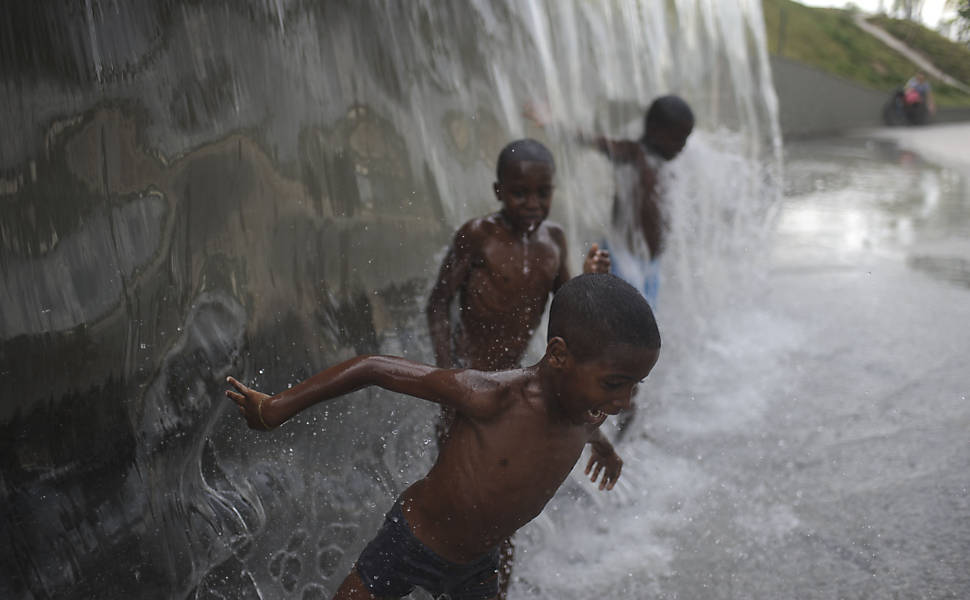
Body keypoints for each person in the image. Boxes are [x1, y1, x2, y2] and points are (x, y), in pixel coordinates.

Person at [225, 273, 662, 600]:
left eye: (634, 385)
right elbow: (373, 367)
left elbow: (587, 429)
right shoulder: (494, 396)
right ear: (560, 355)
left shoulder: (588, 409)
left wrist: (604, 449)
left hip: (479, 563)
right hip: (413, 541)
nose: (623, 401)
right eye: (615, 384)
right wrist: (276, 408)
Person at [424, 138, 610, 596]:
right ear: (498, 191)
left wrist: (589, 279)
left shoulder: (554, 240)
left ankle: (494, 590)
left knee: (500, 509)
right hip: (469, 388)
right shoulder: (478, 236)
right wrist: (448, 378)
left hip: (514, 390)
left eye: (542, 193)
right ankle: (438, 580)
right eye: (519, 193)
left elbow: (569, 308)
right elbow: (437, 305)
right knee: (454, 501)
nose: (532, 204)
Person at [527, 95, 694, 307]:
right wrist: (553, 125)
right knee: (623, 316)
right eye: (678, 138)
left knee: (645, 319)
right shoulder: (634, 154)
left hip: (650, 263)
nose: (682, 146)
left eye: (685, 139)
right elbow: (596, 142)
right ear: (655, 130)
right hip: (623, 257)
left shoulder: (664, 163)